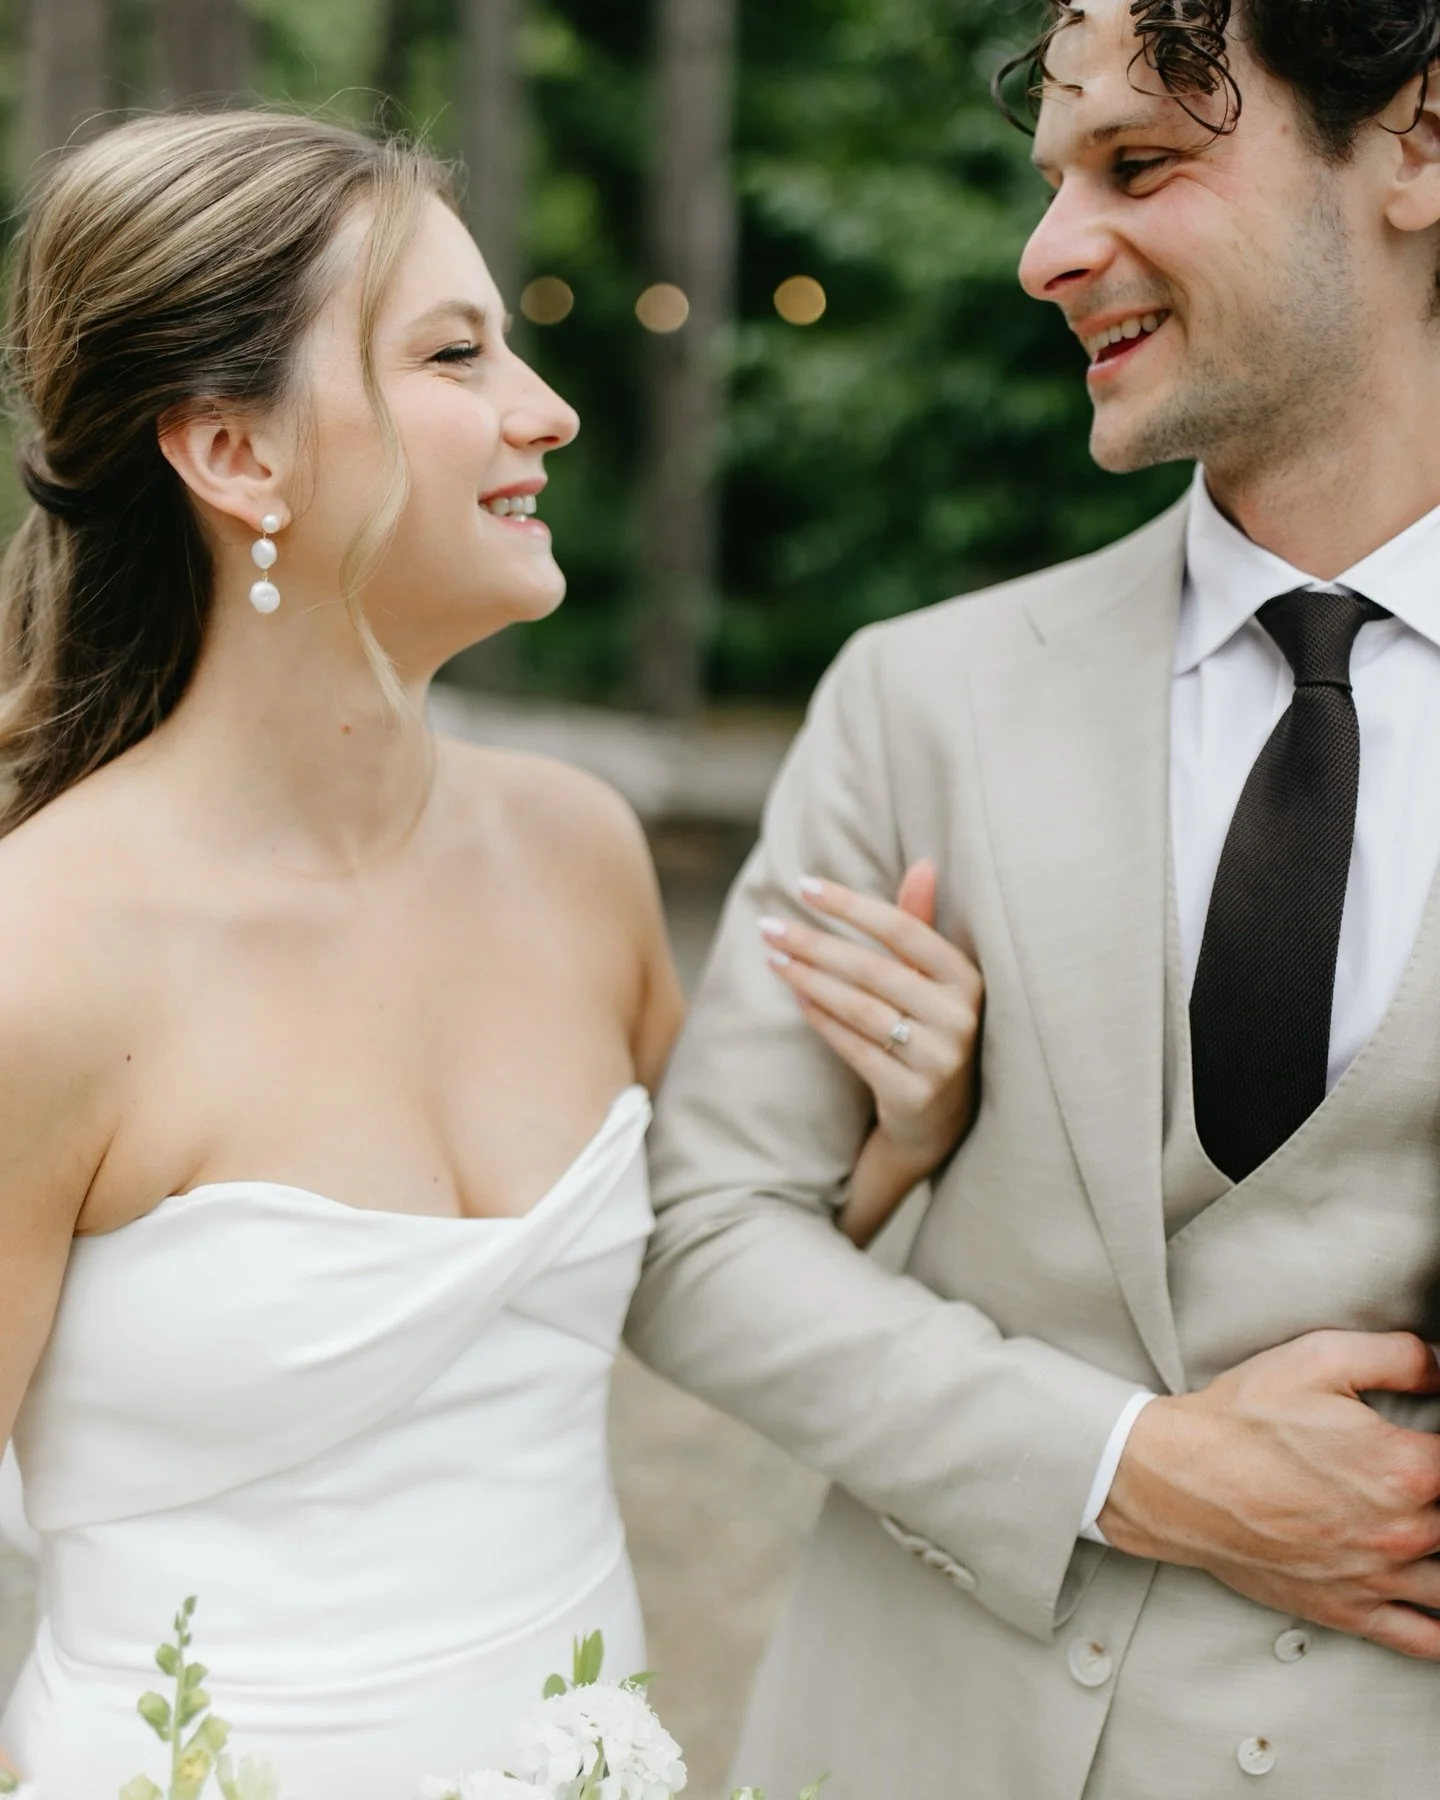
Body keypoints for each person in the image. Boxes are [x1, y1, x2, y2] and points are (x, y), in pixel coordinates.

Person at [0, 110, 983, 1798]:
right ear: (237, 452)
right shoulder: (44, 963)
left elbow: (693, 1267)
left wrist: (905, 1127)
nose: (549, 409)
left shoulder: (579, 851)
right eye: (456, 355)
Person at [626, 2, 1440, 1794]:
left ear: (1418, 145)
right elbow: (701, 1239)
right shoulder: (926, 697)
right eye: (1052, 177)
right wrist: (1128, 1461)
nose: (1049, 250)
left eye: (1141, 163)